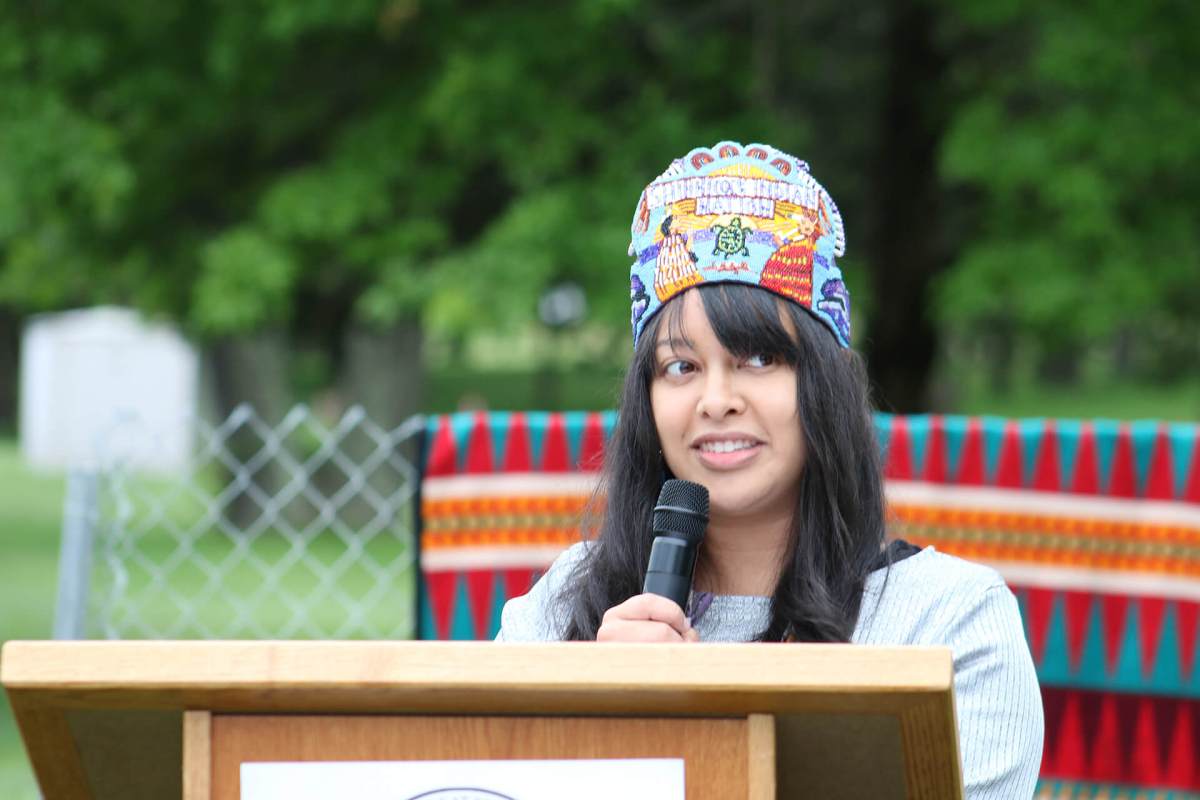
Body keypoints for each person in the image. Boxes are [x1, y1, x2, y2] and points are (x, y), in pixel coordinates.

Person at [496, 142, 1043, 798]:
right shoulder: (561, 609)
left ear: (827, 384)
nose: (716, 399)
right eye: (681, 366)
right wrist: (594, 711)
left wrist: (687, 722)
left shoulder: (949, 622)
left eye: (758, 359)